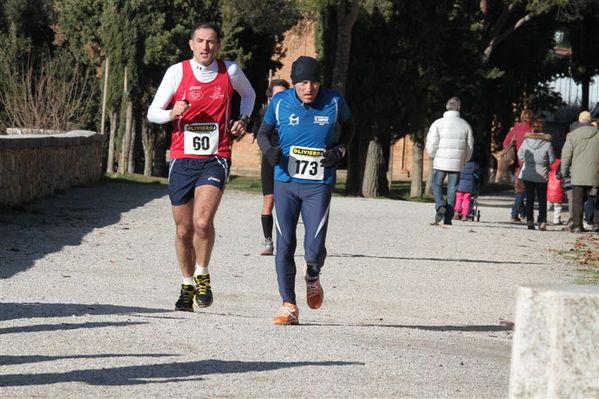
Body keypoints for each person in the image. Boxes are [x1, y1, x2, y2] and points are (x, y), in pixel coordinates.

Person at [147, 23, 256, 311]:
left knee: (202, 222)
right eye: (200, 41)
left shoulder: (229, 71)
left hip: (216, 155)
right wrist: (172, 113)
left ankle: (202, 274)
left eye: (210, 42)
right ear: (191, 44)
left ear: (218, 46)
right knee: (183, 230)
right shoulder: (177, 73)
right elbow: (152, 113)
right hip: (183, 158)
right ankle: (186, 284)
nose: (205, 46)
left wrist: (243, 119)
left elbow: (249, 94)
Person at [257, 56, 354, 325]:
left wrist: (340, 151)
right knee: (284, 243)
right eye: (302, 83)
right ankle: (288, 305)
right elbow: (262, 133)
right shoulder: (279, 102)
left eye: (313, 82)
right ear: (294, 83)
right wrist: (269, 152)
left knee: (314, 246)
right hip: (285, 182)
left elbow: (350, 127)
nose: (308, 88)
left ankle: (312, 273)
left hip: (318, 186)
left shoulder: (334, 101)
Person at [247, 79, 290, 256]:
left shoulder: (294, 112)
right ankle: (268, 242)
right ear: (270, 97)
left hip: (289, 159)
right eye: (276, 96)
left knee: (288, 202)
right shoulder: (265, 112)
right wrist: (253, 134)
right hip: (270, 159)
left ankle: (287, 242)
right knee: (269, 199)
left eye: (284, 95)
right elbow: (258, 128)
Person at [425, 97, 474, 225]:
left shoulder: (438, 123)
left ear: (447, 107)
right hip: (456, 163)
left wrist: (432, 154)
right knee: (453, 188)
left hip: (440, 160)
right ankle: (448, 217)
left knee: (436, 184)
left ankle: (440, 205)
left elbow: (431, 143)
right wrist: (464, 160)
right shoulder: (465, 125)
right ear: (459, 108)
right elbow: (469, 147)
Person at [560, 111, 599, 233]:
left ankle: (577, 226)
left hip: (577, 174)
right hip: (596, 173)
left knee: (577, 201)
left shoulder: (572, 135)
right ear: (590, 120)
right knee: (597, 200)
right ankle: (597, 224)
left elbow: (565, 157)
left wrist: (565, 173)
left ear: (579, 120)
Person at [517, 118, 555, 230]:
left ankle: (529, 221)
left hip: (528, 172)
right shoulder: (547, 143)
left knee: (529, 198)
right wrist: (545, 163)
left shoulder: (526, 141)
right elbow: (552, 160)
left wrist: (527, 161)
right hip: (542, 174)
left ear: (533, 128)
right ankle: (542, 221)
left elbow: (520, 155)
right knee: (542, 199)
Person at [503, 109, 534, 222]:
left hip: (516, 163)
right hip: (530, 164)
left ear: (522, 117)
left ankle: (522, 213)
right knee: (522, 190)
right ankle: (515, 213)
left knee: (519, 189)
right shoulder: (533, 130)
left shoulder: (516, 128)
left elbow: (505, 143)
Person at [547, 158, 564, 225]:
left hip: (549, 194)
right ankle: (556, 220)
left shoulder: (549, 173)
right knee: (558, 207)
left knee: (548, 206)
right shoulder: (560, 175)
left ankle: (541, 217)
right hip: (558, 194)